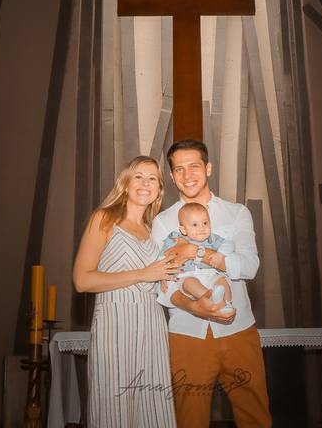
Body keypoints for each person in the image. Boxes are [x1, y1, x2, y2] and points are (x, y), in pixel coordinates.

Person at [153, 140, 272, 428]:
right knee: (189, 419)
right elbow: (163, 285)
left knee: (255, 416)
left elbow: (250, 266)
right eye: (179, 169)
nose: (187, 175)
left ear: (208, 168)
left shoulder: (237, 213)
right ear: (172, 176)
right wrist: (195, 307)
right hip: (186, 332)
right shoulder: (163, 222)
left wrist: (198, 252)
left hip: (238, 329)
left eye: (194, 166)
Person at [73, 156, 178, 428]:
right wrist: (143, 274)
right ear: (126, 183)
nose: (145, 183)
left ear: (159, 188)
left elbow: (161, 277)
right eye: (138, 176)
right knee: (114, 409)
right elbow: (82, 280)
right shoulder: (104, 219)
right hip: (115, 324)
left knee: (153, 410)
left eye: (152, 178)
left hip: (153, 325)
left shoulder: (154, 231)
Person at [158, 202, 234, 313]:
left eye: (205, 223)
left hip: (210, 273)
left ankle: (227, 305)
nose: (202, 228)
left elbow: (229, 244)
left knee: (222, 282)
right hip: (187, 274)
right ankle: (213, 299)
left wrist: (221, 254)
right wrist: (162, 274)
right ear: (183, 229)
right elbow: (163, 256)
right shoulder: (175, 239)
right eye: (195, 225)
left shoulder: (213, 239)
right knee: (189, 283)